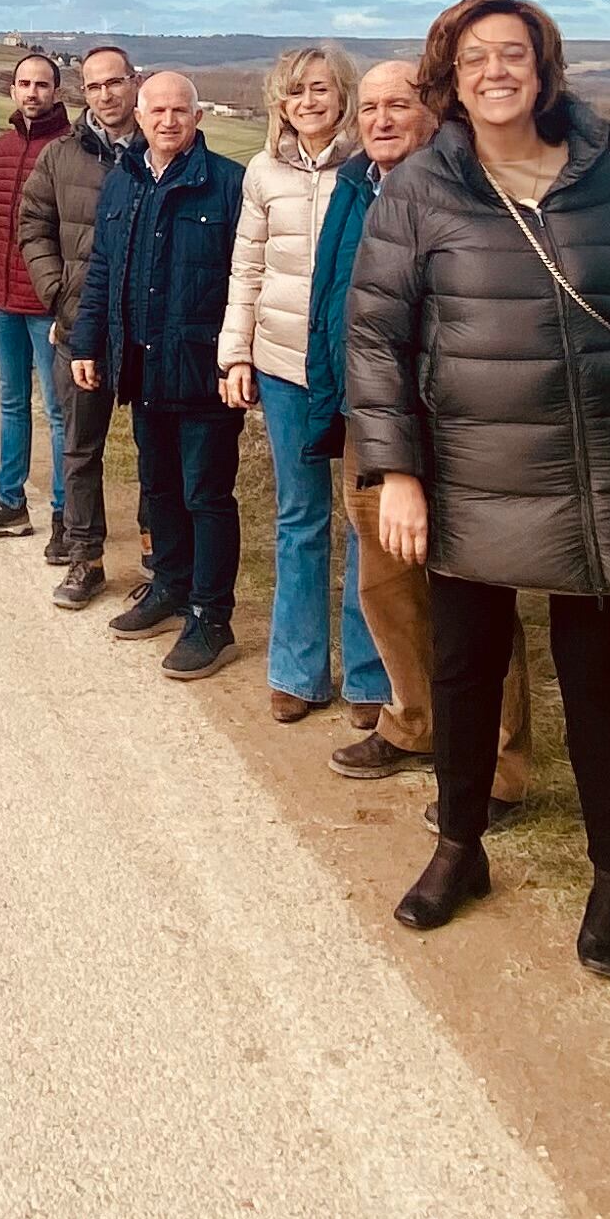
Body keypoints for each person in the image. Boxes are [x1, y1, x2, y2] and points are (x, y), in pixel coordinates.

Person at [344, 0, 610, 953]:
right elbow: (375, 333)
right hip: (470, 469)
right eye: (476, 56)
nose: (497, 71)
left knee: (601, 683)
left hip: (600, 468)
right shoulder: (421, 187)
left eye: (515, 54)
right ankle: (459, 845)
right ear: (450, 74)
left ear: (544, 67)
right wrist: (395, 470)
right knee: (464, 668)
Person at [309, 58, 533, 798]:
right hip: (368, 417)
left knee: (476, 596)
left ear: (431, 111)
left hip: (455, 425)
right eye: (368, 107)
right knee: (386, 587)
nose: (379, 120)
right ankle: (413, 722)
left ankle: (499, 769)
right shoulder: (353, 187)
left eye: (397, 105)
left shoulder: (467, 190)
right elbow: (334, 302)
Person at [223, 43, 385, 724]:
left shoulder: (374, 170)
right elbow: (247, 267)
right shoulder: (263, 171)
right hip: (285, 364)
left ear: (343, 94)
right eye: (295, 92)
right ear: (279, 103)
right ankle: (297, 669)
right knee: (299, 517)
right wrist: (236, 354)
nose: (309, 101)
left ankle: (371, 679)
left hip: (363, 369)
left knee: (366, 524)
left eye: (321, 88)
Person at [69, 69, 245, 680]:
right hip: (142, 371)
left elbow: (246, 282)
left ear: (198, 118)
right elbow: (101, 273)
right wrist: (88, 344)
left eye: (181, 111)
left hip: (204, 374)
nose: (169, 121)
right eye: (158, 112)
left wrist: (236, 357)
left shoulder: (227, 185)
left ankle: (211, 617)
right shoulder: (124, 182)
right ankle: (169, 587)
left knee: (207, 495)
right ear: (140, 119)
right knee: (159, 488)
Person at [16, 44, 140, 606]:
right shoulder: (60, 155)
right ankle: (84, 557)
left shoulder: (162, 149)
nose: (106, 95)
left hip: (146, 331)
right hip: (79, 327)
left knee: (156, 451)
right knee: (81, 447)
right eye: (94, 86)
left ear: (134, 83)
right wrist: (56, 291)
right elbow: (32, 225)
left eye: (115, 82)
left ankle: (158, 561)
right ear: (82, 93)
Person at [0, 51, 76, 548]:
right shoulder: (4, 148)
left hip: (47, 306)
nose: (33, 92)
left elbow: (75, 236)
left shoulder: (71, 149)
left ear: (57, 92)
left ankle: (64, 514)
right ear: (13, 90)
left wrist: (66, 307)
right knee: (10, 402)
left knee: (57, 411)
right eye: (24, 83)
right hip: (1, 300)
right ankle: (10, 502)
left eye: (42, 84)